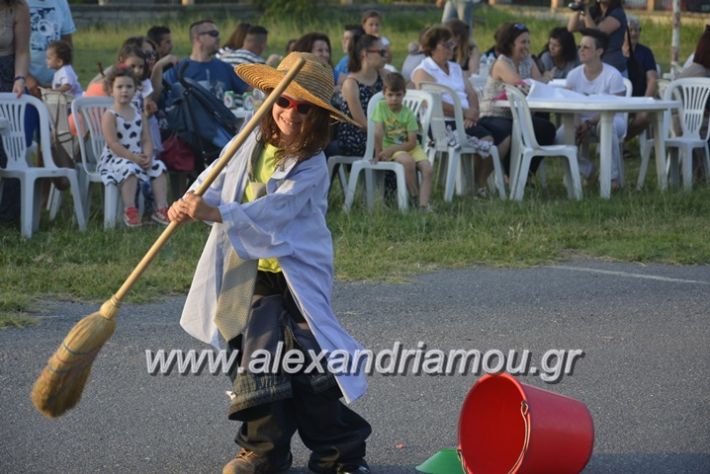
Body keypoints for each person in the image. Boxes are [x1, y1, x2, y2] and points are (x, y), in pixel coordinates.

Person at [168, 52, 371, 474]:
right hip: (251, 271)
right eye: (284, 102)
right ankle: (264, 453)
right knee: (254, 358)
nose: (291, 114)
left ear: (319, 117)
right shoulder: (246, 142)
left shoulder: (312, 165)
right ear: (269, 99)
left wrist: (217, 213)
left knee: (308, 366)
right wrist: (191, 202)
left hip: (295, 273)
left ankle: (339, 454)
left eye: (305, 108)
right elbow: (215, 181)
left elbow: (276, 212)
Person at [411, 25, 503, 195]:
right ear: (431, 48)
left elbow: (471, 92)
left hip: (464, 119)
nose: (451, 48)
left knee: (501, 133)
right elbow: (431, 102)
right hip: (440, 124)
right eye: (445, 45)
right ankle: (477, 185)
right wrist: (463, 113)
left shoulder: (455, 67)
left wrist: (473, 112)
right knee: (488, 139)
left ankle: (476, 183)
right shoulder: (423, 71)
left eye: (451, 44)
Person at [478, 22, 556, 178]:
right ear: (509, 44)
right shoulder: (502, 63)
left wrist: (541, 80)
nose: (527, 46)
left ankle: (523, 175)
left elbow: (537, 87)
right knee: (527, 129)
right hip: (495, 115)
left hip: (516, 117)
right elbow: (522, 86)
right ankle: (511, 174)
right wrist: (546, 77)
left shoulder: (528, 61)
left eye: (528, 42)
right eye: (522, 42)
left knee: (546, 129)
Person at [98, 66, 170, 228]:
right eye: (119, 87)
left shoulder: (139, 114)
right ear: (111, 90)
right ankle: (130, 209)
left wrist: (148, 156)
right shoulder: (110, 115)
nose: (124, 91)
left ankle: (160, 208)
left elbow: (146, 139)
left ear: (136, 89)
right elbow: (113, 143)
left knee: (158, 166)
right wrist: (133, 158)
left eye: (129, 87)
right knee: (129, 168)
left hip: (138, 157)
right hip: (115, 159)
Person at [561, 28, 626, 189]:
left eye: (586, 47)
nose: (581, 50)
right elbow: (568, 103)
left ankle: (611, 178)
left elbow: (614, 106)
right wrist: (576, 122)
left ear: (599, 51)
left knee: (606, 127)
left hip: (611, 118)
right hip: (580, 118)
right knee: (559, 138)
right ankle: (588, 169)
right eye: (580, 46)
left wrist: (589, 123)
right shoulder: (573, 75)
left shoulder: (613, 75)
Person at [373, 72, 434, 209]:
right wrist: (379, 152)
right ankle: (415, 197)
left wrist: (391, 150)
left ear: (404, 94)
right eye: (390, 95)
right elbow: (378, 131)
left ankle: (423, 206)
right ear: (384, 93)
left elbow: (412, 142)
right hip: (391, 147)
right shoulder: (380, 107)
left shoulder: (408, 114)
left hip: (410, 147)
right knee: (407, 161)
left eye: (398, 95)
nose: (394, 99)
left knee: (428, 170)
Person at [163, 19, 248, 103]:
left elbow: (250, 91)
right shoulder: (177, 70)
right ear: (198, 39)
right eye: (213, 34)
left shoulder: (226, 68)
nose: (218, 38)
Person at [0, 0, 29, 224]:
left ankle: (9, 218)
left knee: (11, 150)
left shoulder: (18, 8)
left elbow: (21, 51)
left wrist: (19, 79)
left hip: (7, 79)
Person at [335, 33, 385, 157]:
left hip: (379, 132)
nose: (386, 56)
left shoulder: (383, 75)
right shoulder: (351, 83)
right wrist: (386, 135)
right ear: (365, 54)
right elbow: (361, 123)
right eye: (381, 52)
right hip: (356, 137)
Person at [26, 0, 75, 95]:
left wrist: (65, 78)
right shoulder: (18, 3)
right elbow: (10, 48)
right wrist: (26, 78)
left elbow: (67, 45)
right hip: (23, 85)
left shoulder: (61, 2)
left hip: (56, 86)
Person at [567, 0, 627, 76]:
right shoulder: (594, 11)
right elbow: (571, 28)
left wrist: (585, 10)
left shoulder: (618, 13)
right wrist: (578, 6)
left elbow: (596, 35)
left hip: (612, 67)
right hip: (592, 66)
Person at [623, 16, 658, 140]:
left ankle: (622, 141)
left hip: (639, 98)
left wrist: (645, 101)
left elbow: (652, 79)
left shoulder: (645, 52)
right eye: (630, 30)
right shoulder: (616, 53)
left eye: (637, 30)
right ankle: (617, 143)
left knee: (644, 117)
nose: (634, 33)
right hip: (619, 99)